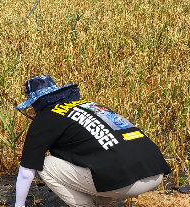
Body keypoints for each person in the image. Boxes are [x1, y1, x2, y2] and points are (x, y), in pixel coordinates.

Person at [13, 75, 171, 207]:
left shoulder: (45, 118)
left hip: (126, 181)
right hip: (155, 171)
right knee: (97, 155)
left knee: (46, 165)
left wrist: (19, 205)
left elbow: (27, 172)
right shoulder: (90, 104)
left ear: (35, 102)